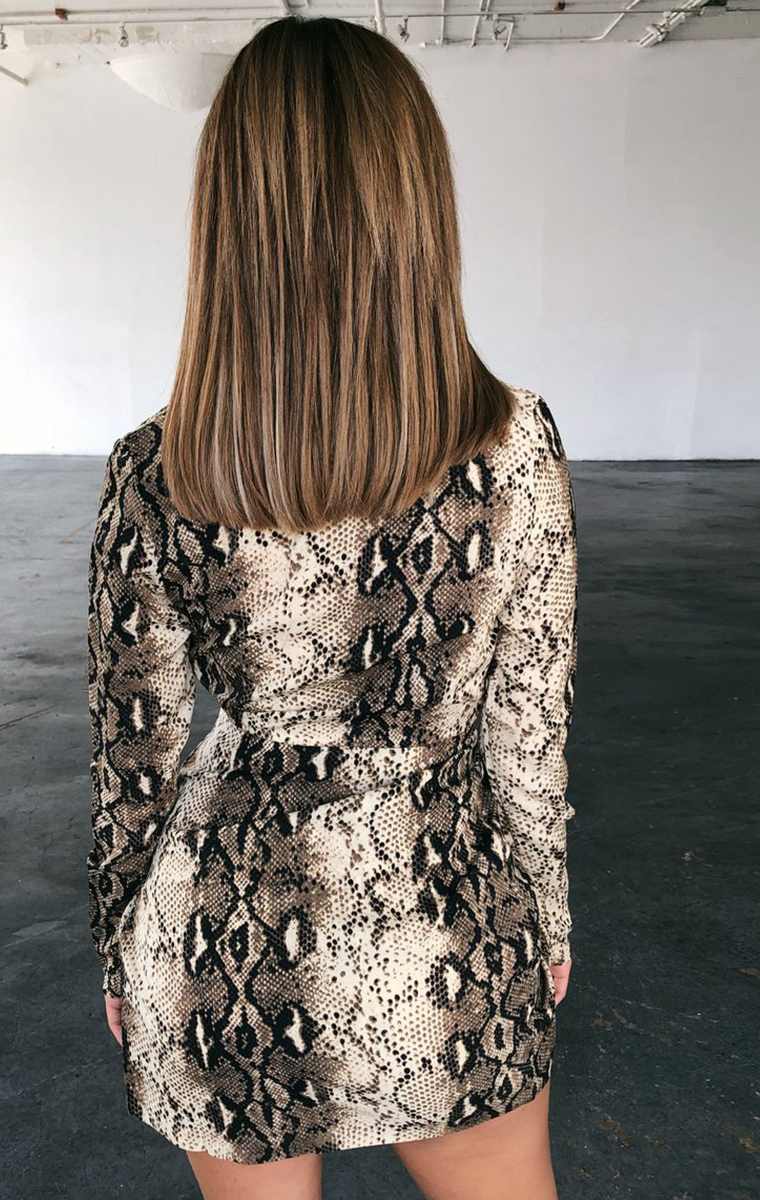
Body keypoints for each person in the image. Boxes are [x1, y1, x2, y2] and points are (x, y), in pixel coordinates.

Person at [86, 14, 578, 1200]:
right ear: (420, 204)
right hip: (449, 918)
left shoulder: (157, 468)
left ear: (225, 215)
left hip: (224, 933)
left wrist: (118, 939)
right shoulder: (514, 446)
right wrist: (546, 919)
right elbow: (529, 723)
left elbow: (133, 754)